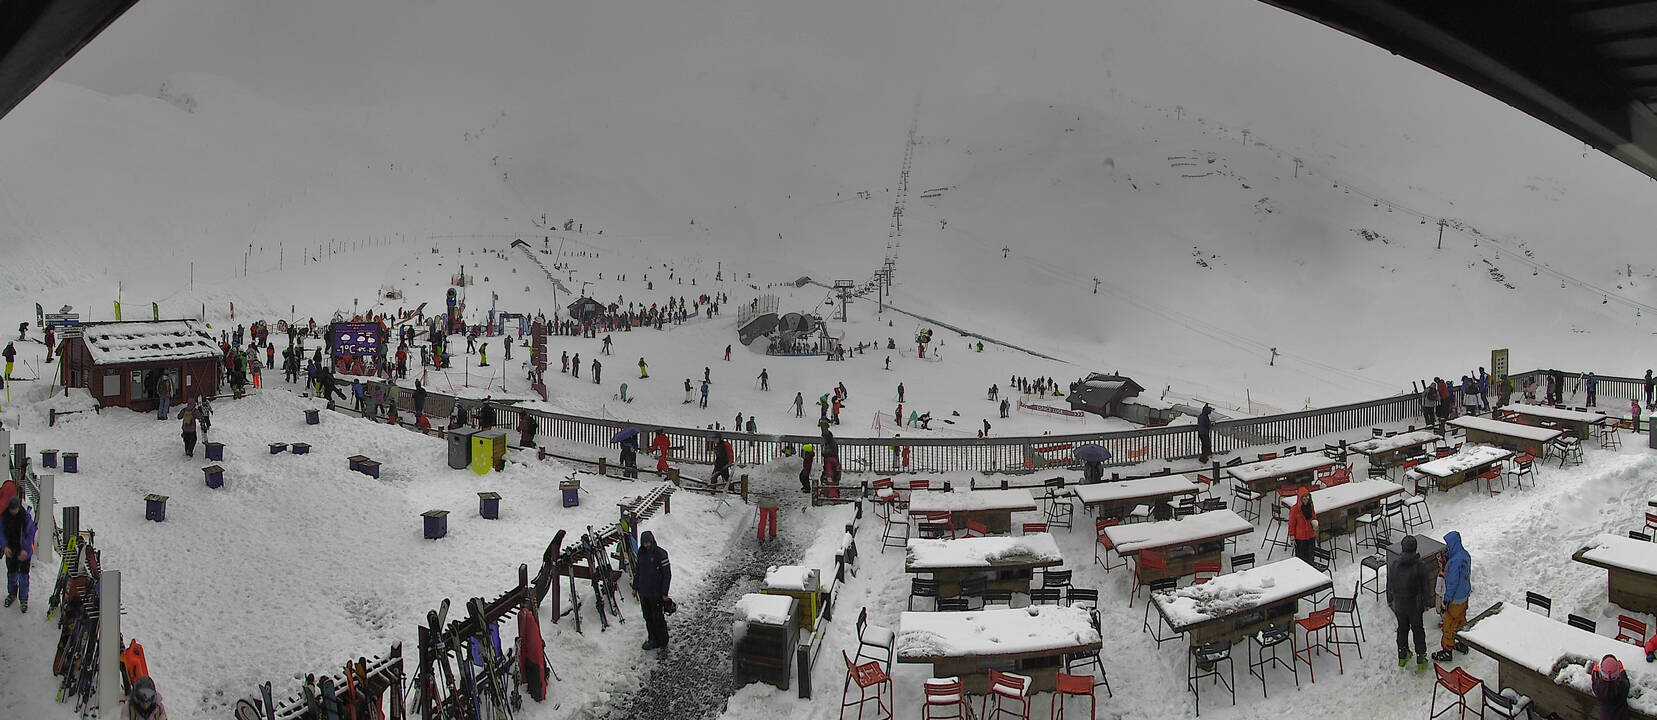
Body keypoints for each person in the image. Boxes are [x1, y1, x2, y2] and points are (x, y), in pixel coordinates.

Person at [1387, 535, 1433, 671]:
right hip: (1415, 605)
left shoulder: (1394, 564)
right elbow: (1426, 586)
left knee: (1402, 628)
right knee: (1418, 630)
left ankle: (1402, 655)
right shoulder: (1420, 565)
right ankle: (1421, 659)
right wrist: (1427, 603)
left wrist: (1390, 599)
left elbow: (1389, 583)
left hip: (1399, 605)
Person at [1433, 530, 1471, 662]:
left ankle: (1447, 650)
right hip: (1464, 595)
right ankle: (1463, 643)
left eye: (1448, 545)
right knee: (1461, 619)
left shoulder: (1454, 562)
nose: (1447, 547)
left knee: (1448, 625)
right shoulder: (1465, 555)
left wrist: (1446, 599)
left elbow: (1452, 583)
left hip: (1455, 598)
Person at [633, 531, 672, 650]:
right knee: (648, 617)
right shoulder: (641, 554)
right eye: (645, 543)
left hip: (656, 594)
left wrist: (664, 593)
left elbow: (667, 575)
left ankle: (663, 643)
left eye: (649, 542)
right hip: (644, 593)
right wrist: (635, 587)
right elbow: (638, 572)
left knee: (658, 618)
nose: (647, 545)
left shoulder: (660, 554)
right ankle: (653, 639)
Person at [2, 495, 35, 613]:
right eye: (11, 509)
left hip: (24, 552)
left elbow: (30, 534)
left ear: (18, 507)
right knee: (11, 574)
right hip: (11, 550)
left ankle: (24, 599)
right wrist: (4, 546)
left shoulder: (26, 518)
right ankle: (12, 594)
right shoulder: (4, 517)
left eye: (14, 509)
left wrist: (25, 549)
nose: (12, 511)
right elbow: (1, 533)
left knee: (23, 576)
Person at [1590, 654, 1632, 720]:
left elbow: (1594, 681)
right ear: (1617, 673)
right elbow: (1626, 681)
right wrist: (1622, 671)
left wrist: (1595, 672)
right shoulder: (1623, 687)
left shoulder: (1599, 689)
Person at [1288, 487, 1318, 566]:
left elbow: (1314, 517)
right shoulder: (1295, 509)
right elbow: (1291, 524)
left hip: (1310, 536)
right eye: (1304, 497)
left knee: (1311, 557)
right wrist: (1292, 536)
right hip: (1300, 539)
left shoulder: (1310, 507)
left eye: (1307, 496)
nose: (1306, 499)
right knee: (1301, 560)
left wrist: (1314, 523)